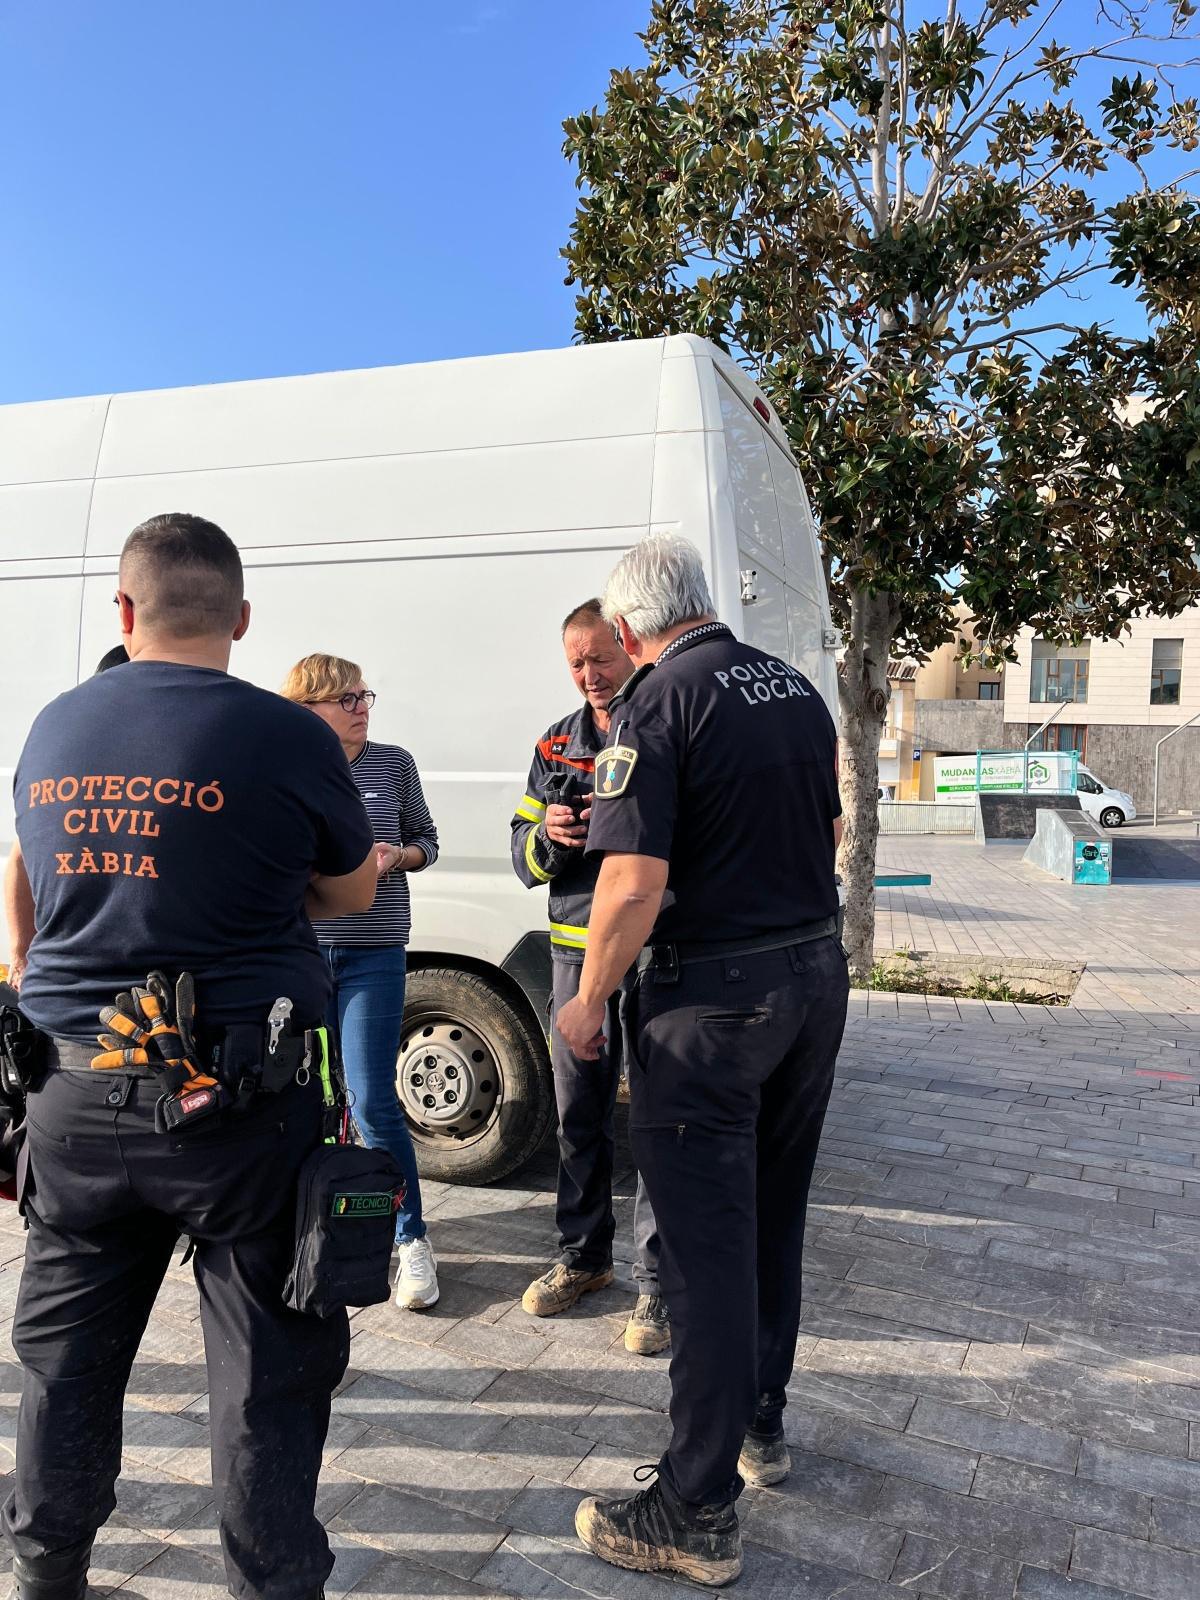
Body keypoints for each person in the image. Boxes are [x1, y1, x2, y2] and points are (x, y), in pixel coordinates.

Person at [2, 513, 378, 1600]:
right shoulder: (286, 736)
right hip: (239, 1110)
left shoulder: (55, 727)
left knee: (66, 1362)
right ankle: (269, 1585)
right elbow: (350, 890)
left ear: (124, 612)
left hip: (71, 1092)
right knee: (268, 1374)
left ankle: (43, 1573)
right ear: (242, 620)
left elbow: (24, 872)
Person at [558, 534, 848, 1587]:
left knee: (702, 1248)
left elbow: (631, 884)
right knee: (775, 1214)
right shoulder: (793, 689)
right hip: (811, 975)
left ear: (630, 630)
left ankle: (694, 1505)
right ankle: (760, 1426)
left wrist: (589, 1001)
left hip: (711, 1003)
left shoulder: (655, 703)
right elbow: (827, 825)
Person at [510, 601, 666, 1356]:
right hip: (575, 959)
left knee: (663, 1124)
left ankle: (658, 1291)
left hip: (660, 955)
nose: (590, 675)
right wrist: (550, 837)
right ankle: (584, 1259)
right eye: (575, 661)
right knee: (579, 1118)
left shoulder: (665, 723)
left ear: (629, 647)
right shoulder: (555, 742)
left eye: (600, 657)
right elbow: (521, 856)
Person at [282, 653, 441, 1310]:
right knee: (308, 1102)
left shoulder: (392, 763)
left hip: (374, 950)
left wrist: (398, 856)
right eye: (346, 699)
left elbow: (427, 841)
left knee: (374, 1100)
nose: (361, 707)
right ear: (308, 709)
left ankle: (411, 1240)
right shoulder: (287, 765)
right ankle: (315, 1227)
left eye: (363, 695)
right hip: (304, 955)